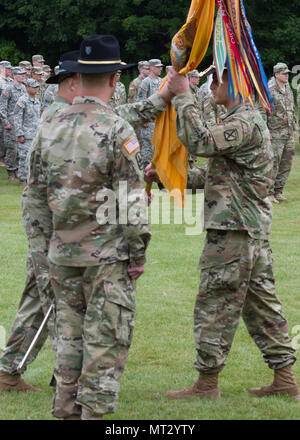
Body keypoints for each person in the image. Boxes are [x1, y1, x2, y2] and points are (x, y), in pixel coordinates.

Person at [25, 35, 173, 420]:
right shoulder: (116, 128)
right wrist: (138, 252)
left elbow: (35, 199)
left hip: (61, 256)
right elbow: (130, 201)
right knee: (105, 344)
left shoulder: (48, 126)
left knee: (68, 343)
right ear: (114, 80)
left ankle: (66, 411)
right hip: (108, 258)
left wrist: (44, 252)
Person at [157, 66, 299, 401]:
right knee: (261, 305)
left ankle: (206, 384)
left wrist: (182, 96)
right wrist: (167, 175)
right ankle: (285, 378)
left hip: (235, 230)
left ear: (236, 84)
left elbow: (201, 142)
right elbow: (216, 174)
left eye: (218, 79)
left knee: (215, 302)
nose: (212, 85)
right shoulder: (241, 120)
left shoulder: (243, 122)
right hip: (249, 229)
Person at [0, 51, 82, 394]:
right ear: (73, 82)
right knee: (61, 297)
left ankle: (8, 371)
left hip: (50, 221)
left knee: (37, 297)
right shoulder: (61, 116)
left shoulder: (63, 113)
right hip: (48, 222)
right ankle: (70, 378)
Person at [267, 63, 296, 203]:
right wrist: (266, 131)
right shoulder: (269, 89)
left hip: (288, 132)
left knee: (287, 163)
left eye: (287, 73)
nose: (287, 75)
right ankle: (269, 193)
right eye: (284, 73)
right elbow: (263, 111)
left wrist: (294, 128)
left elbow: (291, 108)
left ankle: (278, 191)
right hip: (275, 132)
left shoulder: (288, 87)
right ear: (276, 74)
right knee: (274, 163)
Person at [0, 66, 26, 181]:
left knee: (21, 148)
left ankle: (19, 170)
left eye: (24, 74)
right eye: (20, 74)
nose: (23, 76)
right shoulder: (8, 89)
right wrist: (5, 122)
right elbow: (2, 108)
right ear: (14, 75)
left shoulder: (24, 89)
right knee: (11, 148)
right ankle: (11, 171)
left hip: (22, 122)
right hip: (10, 123)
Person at [14, 78, 41, 185]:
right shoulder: (22, 101)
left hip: (35, 134)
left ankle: (33, 178)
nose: (36, 89)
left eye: (37, 87)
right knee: (24, 157)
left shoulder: (37, 101)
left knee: (35, 157)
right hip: (25, 135)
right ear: (27, 87)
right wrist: (19, 134)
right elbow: (17, 118)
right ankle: (22, 179)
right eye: (33, 87)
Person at [137, 58, 164, 167]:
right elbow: (140, 101)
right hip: (149, 120)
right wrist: (143, 118)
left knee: (158, 144)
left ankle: (156, 166)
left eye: (161, 67)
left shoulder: (161, 81)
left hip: (159, 119)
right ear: (151, 68)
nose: (160, 69)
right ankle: (145, 168)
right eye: (158, 67)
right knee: (148, 145)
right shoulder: (146, 82)